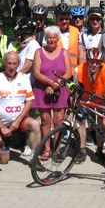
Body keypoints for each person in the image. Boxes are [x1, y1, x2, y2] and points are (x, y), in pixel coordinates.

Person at [0, 52, 41, 163]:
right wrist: (2, 127)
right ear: (4, 64)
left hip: (19, 121)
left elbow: (29, 101)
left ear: (18, 65)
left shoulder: (24, 78)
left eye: (14, 64)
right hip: (1, 125)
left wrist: (18, 121)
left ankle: (35, 158)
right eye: (9, 63)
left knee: (34, 124)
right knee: (4, 160)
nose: (12, 67)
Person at [32, 25, 72, 160]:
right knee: (45, 121)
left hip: (60, 89)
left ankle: (57, 148)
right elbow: (36, 72)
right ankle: (47, 149)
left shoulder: (64, 52)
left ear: (58, 38)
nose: (52, 40)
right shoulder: (39, 52)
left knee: (58, 121)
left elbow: (68, 73)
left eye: (54, 37)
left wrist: (55, 85)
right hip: (42, 89)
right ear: (45, 38)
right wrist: (50, 83)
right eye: (49, 37)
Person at [74, 47, 105, 163]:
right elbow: (76, 90)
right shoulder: (78, 70)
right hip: (85, 98)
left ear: (101, 62)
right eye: (91, 61)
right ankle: (81, 150)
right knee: (80, 122)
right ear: (87, 60)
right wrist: (76, 105)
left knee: (101, 124)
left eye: (97, 62)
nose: (94, 65)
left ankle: (99, 150)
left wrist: (104, 102)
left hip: (99, 99)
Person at [53, 3, 81, 73]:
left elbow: (81, 54)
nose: (64, 21)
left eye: (66, 19)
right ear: (56, 19)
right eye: (61, 19)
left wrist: (81, 72)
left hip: (73, 73)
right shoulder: (51, 32)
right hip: (56, 73)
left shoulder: (76, 31)